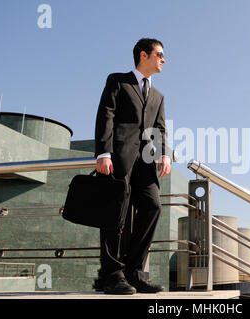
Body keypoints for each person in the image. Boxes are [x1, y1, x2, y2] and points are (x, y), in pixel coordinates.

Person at [94, 38, 171, 295]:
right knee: (115, 216)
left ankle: (134, 273)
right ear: (143, 55)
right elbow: (106, 114)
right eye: (159, 54)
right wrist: (103, 152)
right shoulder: (118, 80)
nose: (163, 59)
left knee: (152, 207)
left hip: (146, 163)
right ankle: (112, 276)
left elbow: (159, 127)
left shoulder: (158, 95)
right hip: (118, 158)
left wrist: (164, 155)